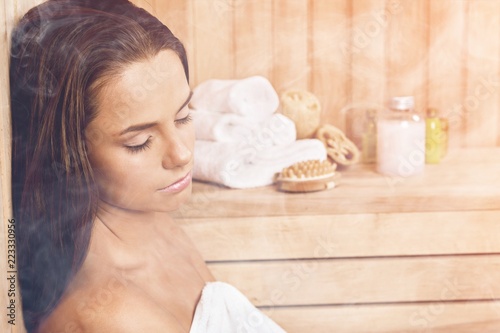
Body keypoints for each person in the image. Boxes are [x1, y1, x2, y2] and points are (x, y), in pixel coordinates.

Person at [10, 1, 286, 332]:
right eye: (139, 142)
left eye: (184, 116)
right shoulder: (109, 315)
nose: (181, 154)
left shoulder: (150, 221)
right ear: (67, 151)